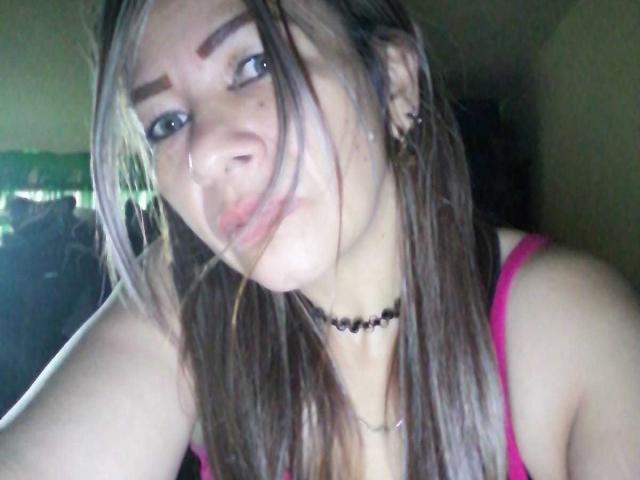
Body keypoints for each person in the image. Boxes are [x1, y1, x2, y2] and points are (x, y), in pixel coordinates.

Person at [1, 0, 639, 478]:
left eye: (255, 65)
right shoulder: (190, 314)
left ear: (394, 85)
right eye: (166, 123)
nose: (204, 155)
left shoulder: (567, 326)